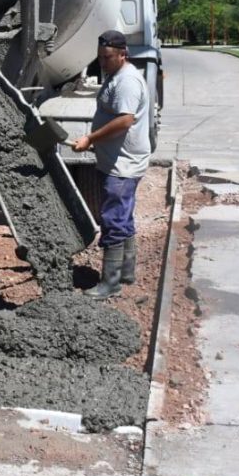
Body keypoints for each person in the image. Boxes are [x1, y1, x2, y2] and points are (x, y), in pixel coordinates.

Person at [72, 30, 151, 300]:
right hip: (120, 162)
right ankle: (126, 274)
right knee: (124, 217)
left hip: (123, 165)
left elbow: (125, 121)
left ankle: (111, 283)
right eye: (100, 58)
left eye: (107, 58)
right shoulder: (116, 75)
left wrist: (91, 138)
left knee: (113, 219)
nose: (102, 63)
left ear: (122, 54)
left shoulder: (127, 81)